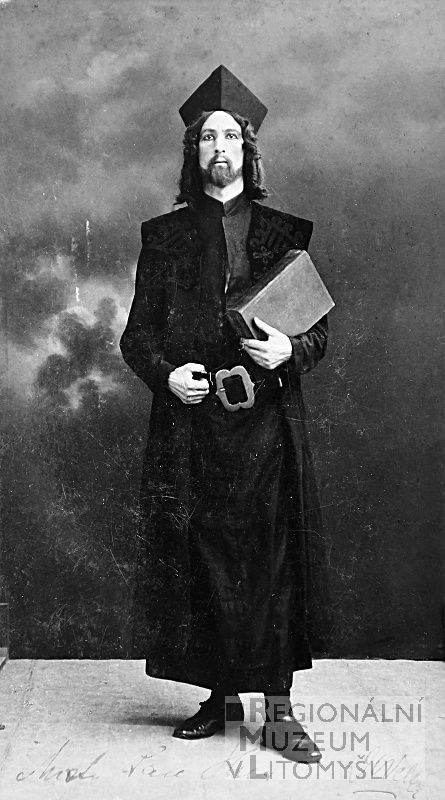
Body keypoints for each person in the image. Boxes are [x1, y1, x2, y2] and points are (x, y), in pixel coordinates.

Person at [120, 66, 331, 761]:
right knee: (204, 558)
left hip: (265, 426)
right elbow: (136, 338)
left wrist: (288, 349)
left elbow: (317, 334)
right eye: (207, 137)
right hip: (194, 425)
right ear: (194, 152)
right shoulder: (163, 236)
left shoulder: (284, 232)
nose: (219, 148)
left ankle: (278, 712)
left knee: (269, 561)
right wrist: (166, 375)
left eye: (230, 137)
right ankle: (220, 695)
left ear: (248, 148)